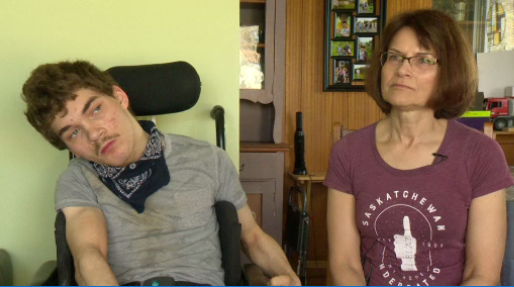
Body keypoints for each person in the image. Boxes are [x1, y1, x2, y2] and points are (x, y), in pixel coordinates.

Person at [21, 60, 301, 286]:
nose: (94, 133)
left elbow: (252, 236)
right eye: (73, 132)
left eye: (95, 109)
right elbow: (88, 254)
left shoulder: (207, 158)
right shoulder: (79, 179)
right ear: (71, 148)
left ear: (119, 97)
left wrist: (289, 277)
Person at [324, 9, 513, 286]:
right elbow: (344, 265)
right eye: (395, 57)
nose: (402, 69)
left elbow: (482, 275)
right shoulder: (347, 153)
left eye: (423, 60)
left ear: (450, 72)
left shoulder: (482, 155)